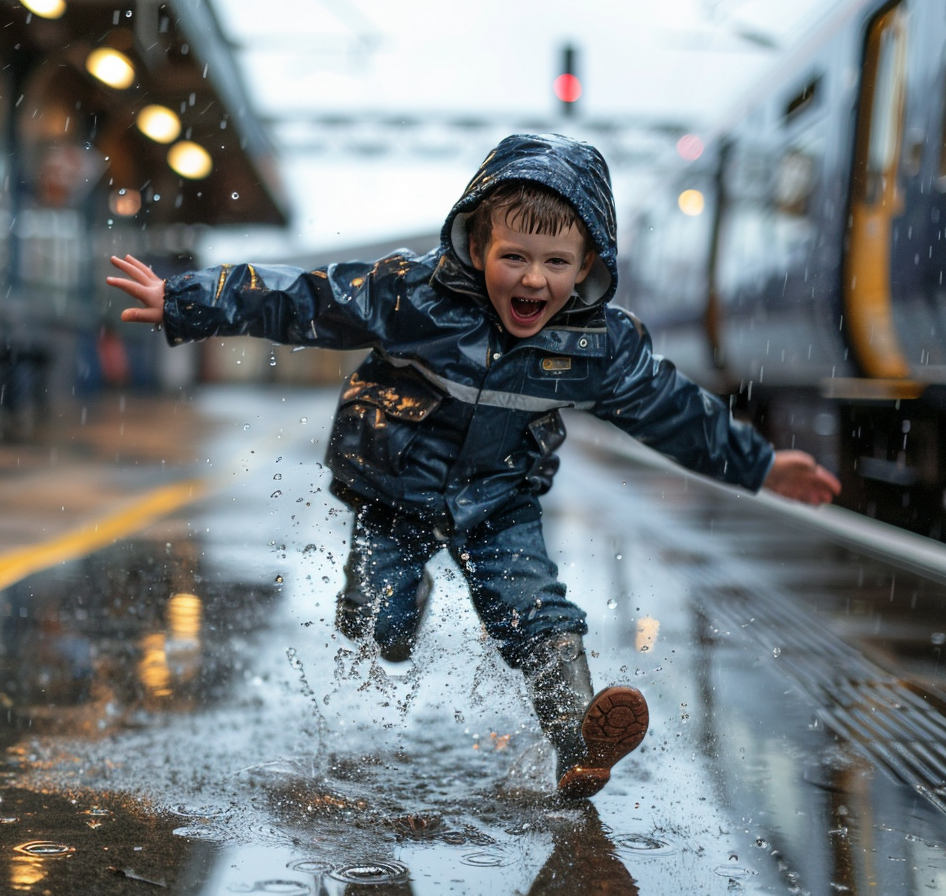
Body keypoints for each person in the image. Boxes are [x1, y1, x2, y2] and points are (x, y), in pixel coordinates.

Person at [107, 133, 840, 800]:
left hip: (499, 499)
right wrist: (186, 301)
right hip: (393, 487)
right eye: (514, 256)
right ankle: (398, 604)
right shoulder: (415, 296)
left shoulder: (597, 346)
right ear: (477, 246)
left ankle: (578, 742)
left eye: (557, 263)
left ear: (588, 267)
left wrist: (762, 466)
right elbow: (308, 299)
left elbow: (672, 410)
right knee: (381, 623)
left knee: (536, 609)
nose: (534, 280)